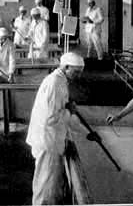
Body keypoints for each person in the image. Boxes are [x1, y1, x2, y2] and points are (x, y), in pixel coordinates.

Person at [26, 52, 98, 205]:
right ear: (66, 67)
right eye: (76, 72)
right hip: (48, 141)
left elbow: (62, 114)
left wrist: (87, 134)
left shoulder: (61, 80)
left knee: (50, 182)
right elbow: (51, 118)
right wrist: (69, 110)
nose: (78, 76)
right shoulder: (55, 83)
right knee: (45, 186)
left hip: (51, 139)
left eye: (80, 72)